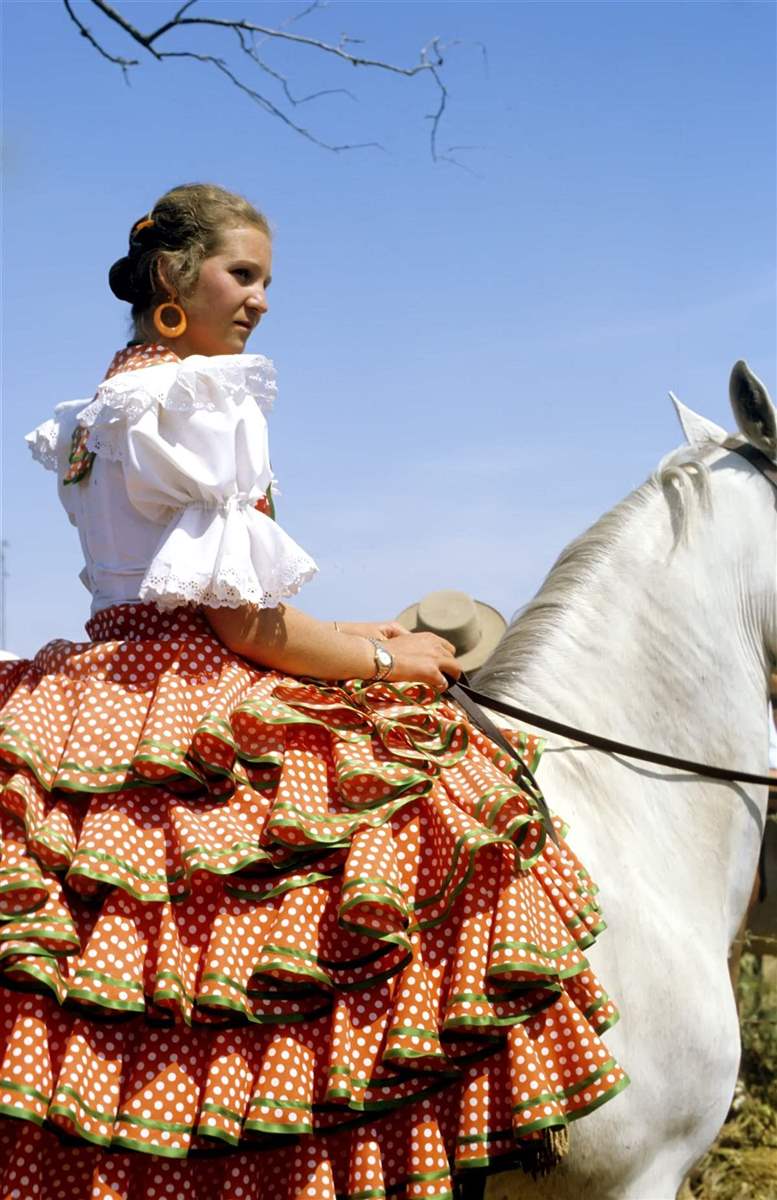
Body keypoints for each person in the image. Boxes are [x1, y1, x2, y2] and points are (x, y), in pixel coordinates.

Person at [0, 184, 627, 1198]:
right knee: (445, 808)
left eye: (265, 281)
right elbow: (244, 625)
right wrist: (395, 663)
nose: (258, 300)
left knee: (137, 957)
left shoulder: (101, 408)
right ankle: (430, 1138)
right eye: (240, 275)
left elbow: (202, 594)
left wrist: (358, 632)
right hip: (197, 683)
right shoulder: (204, 403)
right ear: (173, 277)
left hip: (103, 682)